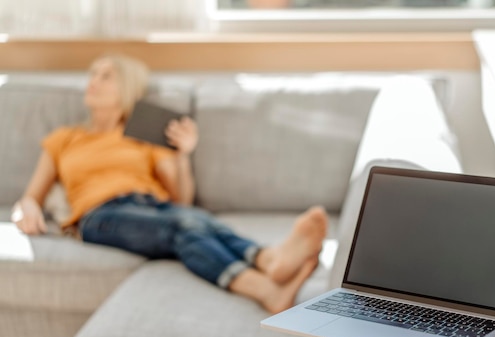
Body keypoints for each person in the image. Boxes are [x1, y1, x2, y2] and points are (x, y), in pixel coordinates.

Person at [11, 54, 328, 314]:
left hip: (156, 207)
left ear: (127, 87)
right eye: (92, 74)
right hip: (99, 216)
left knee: (196, 221)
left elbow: (181, 199)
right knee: (185, 225)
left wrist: (182, 155)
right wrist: (26, 209)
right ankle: (264, 280)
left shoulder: (144, 136)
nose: (93, 82)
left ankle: (270, 263)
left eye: (106, 76)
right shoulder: (65, 138)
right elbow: (31, 197)